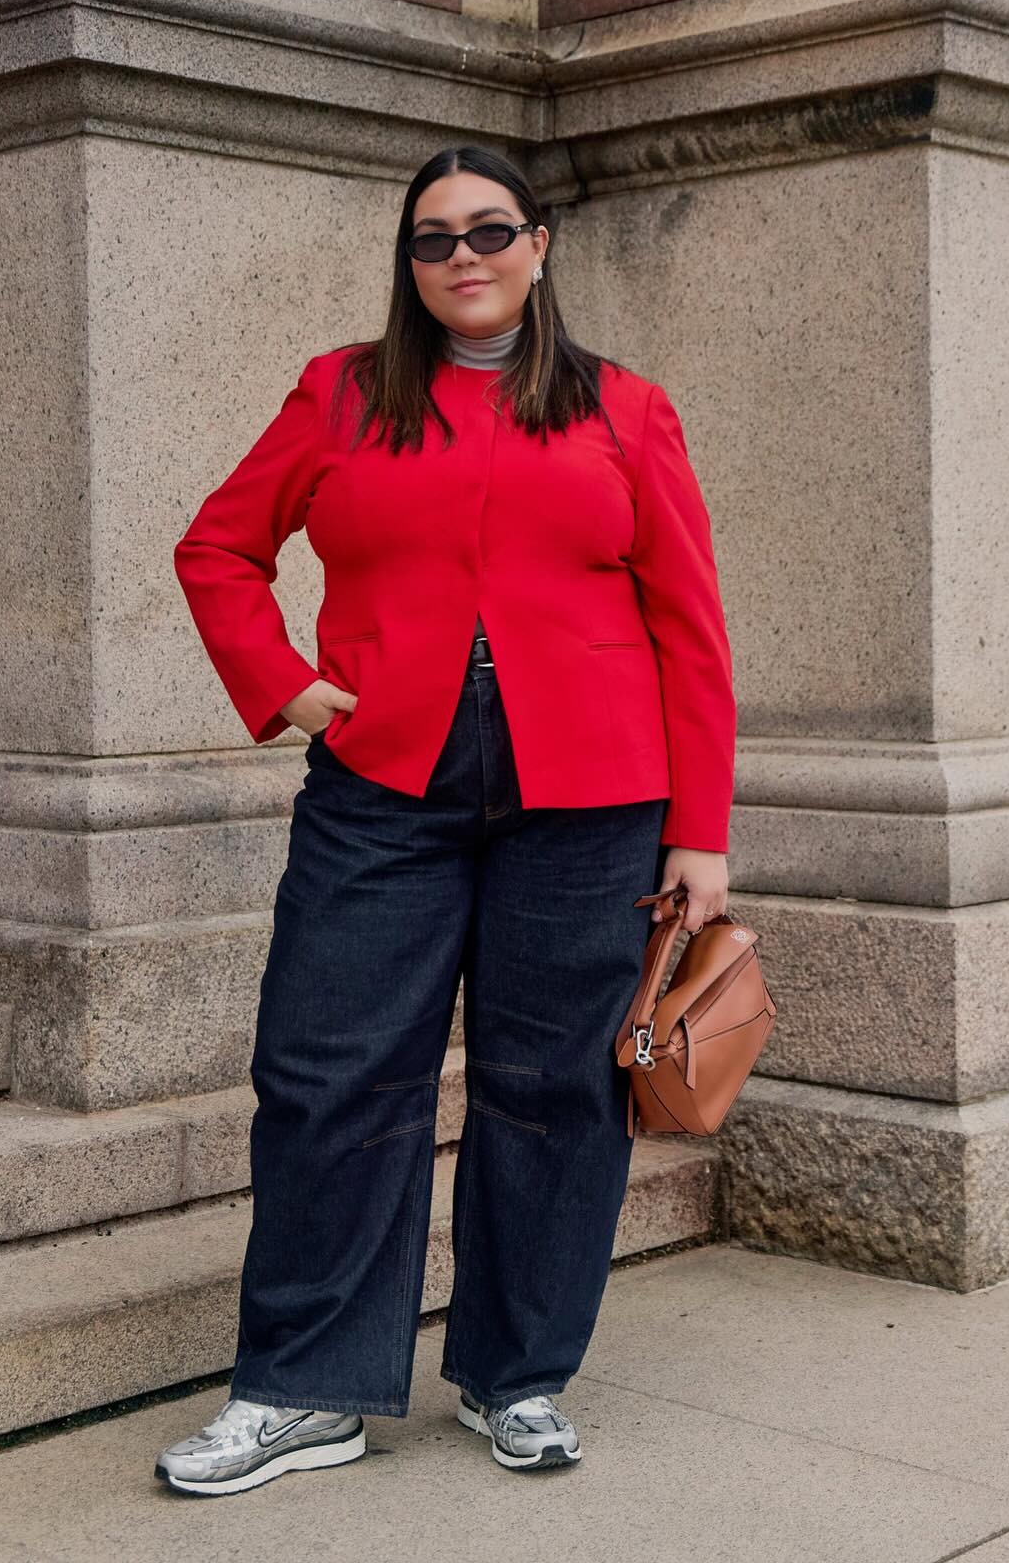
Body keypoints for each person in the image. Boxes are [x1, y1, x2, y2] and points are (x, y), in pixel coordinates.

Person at [158, 143, 736, 1496]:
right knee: (324, 1077)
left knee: (553, 1094)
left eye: (489, 230)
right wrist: (292, 692)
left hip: (591, 802)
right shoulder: (341, 395)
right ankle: (305, 1388)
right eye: (433, 240)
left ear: (540, 247)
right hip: (382, 793)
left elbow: (688, 627)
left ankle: (516, 1375)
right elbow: (219, 547)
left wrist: (698, 834)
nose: (462, 257)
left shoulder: (626, 410)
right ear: (408, 266)